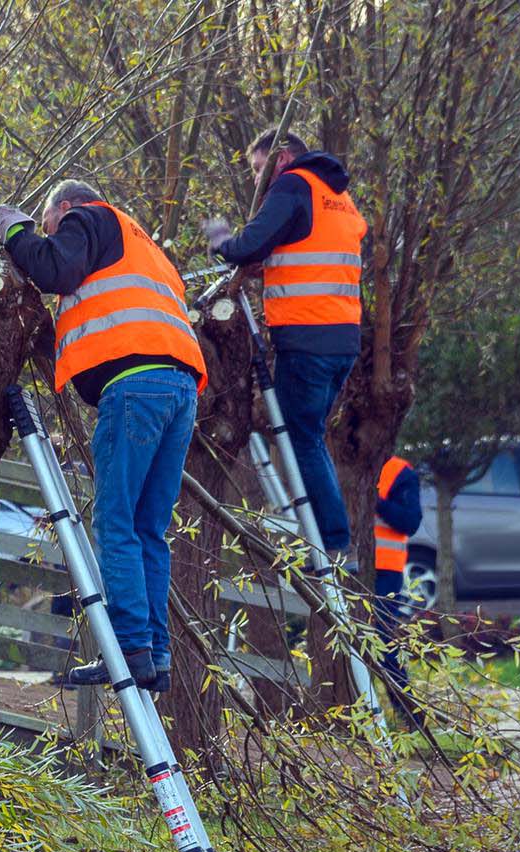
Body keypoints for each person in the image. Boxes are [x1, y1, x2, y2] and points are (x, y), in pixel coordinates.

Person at [0, 180, 208, 694]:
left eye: (48, 224)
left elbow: (51, 268)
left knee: (115, 522)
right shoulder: (140, 246)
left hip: (135, 388)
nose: (50, 234)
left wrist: (13, 228)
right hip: (178, 387)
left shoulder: (87, 218)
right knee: (148, 528)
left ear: (64, 209)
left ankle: (128, 649)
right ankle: (153, 653)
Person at [204, 128, 367, 570]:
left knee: (301, 437)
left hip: (308, 337)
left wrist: (221, 240)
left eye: (259, 169)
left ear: (280, 159)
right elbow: (306, 252)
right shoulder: (335, 195)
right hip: (342, 339)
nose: (258, 181)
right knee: (309, 435)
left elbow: (248, 244)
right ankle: (329, 534)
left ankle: (333, 542)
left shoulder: (292, 183)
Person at [374, 454, 424, 726]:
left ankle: (410, 714)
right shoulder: (335, 455)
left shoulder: (399, 471)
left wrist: (377, 505)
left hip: (385, 570)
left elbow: (410, 521)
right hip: (348, 566)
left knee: (381, 641)